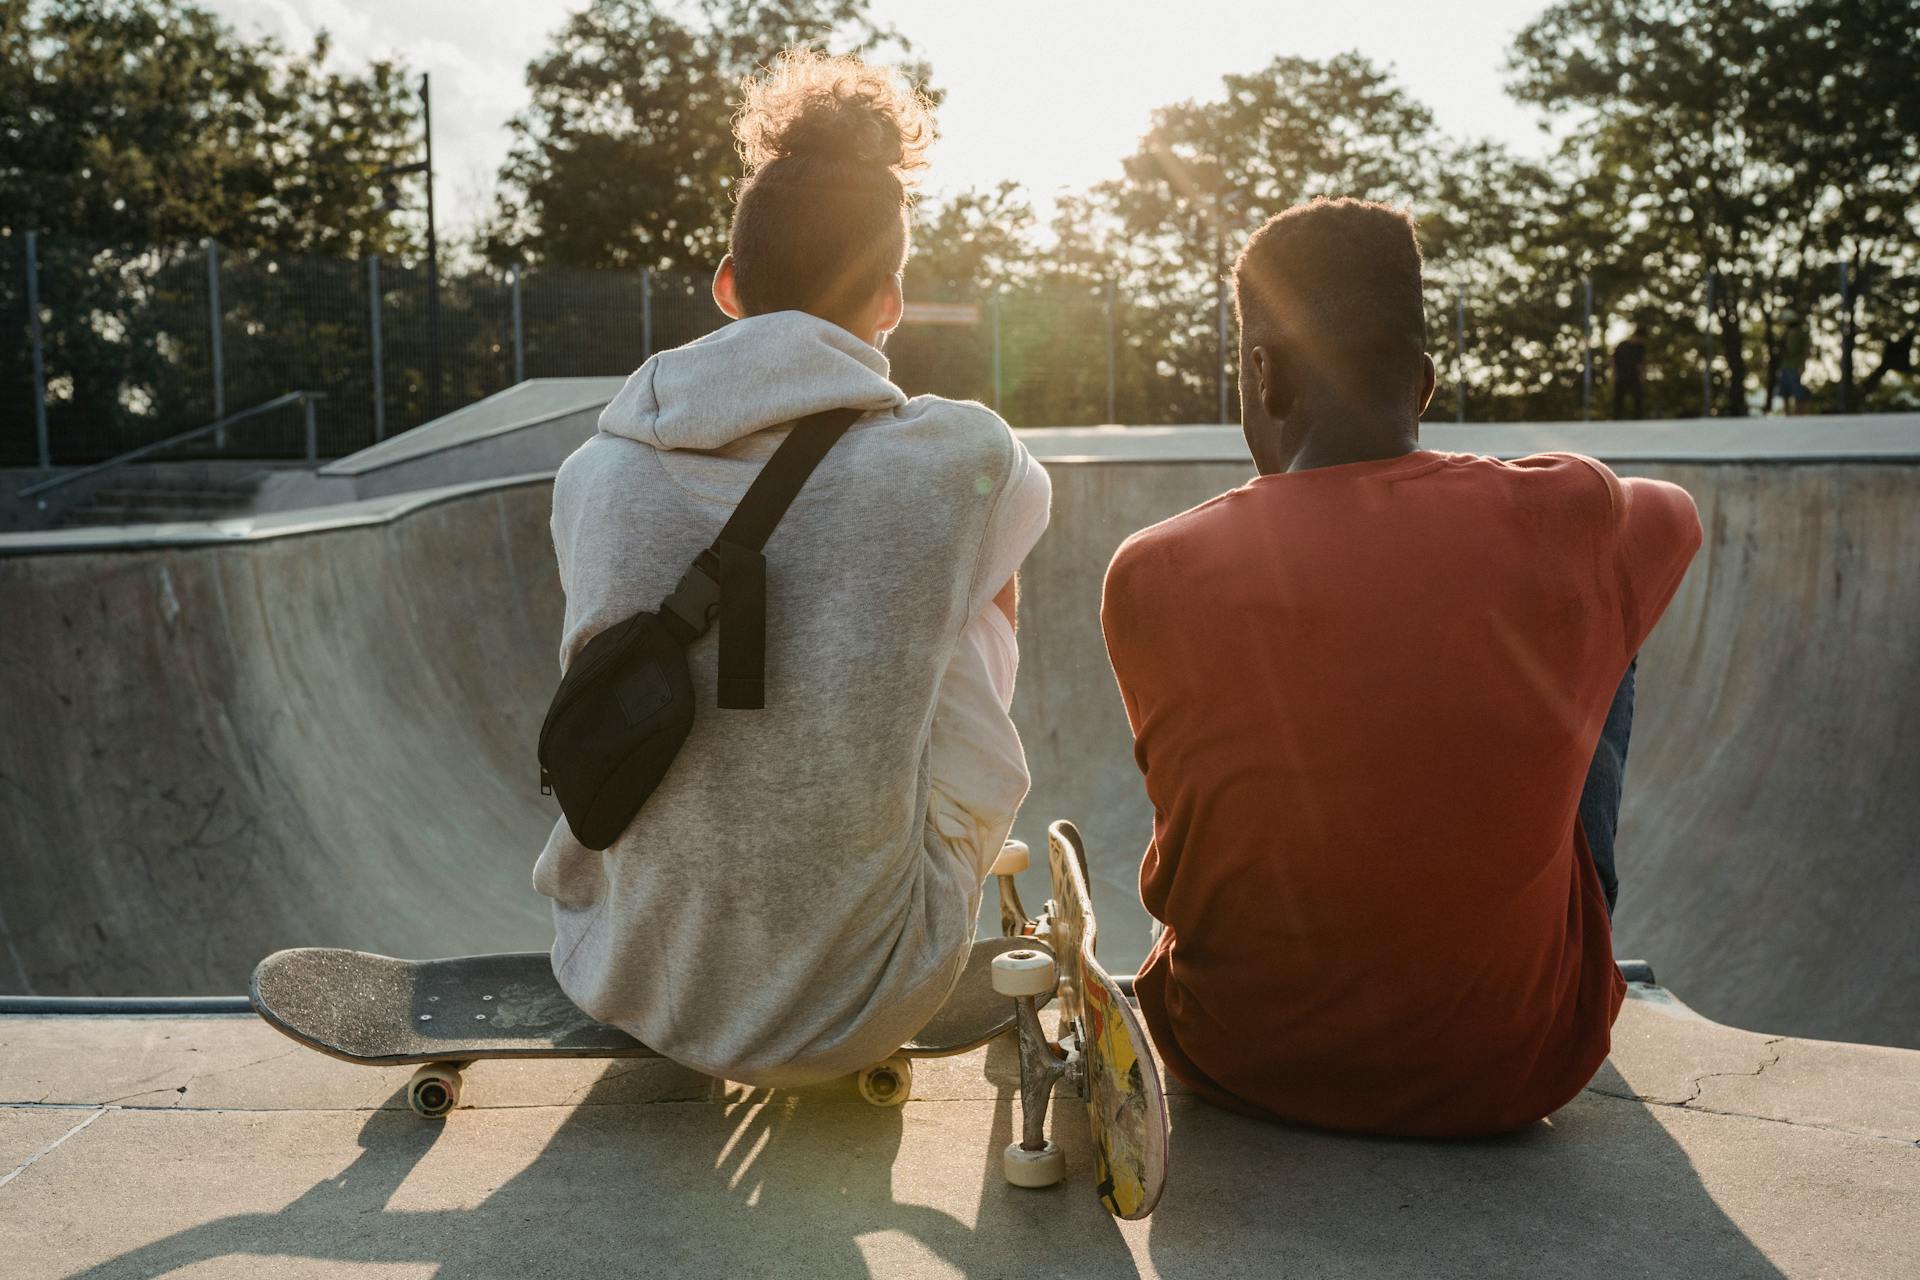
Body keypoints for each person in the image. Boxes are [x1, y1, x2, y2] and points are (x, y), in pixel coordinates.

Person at [1100, 198, 1701, 1138]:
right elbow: (1674, 511)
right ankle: (1565, 948)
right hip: (1518, 1066)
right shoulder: (1568, 515)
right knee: (1599, 620)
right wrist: (1497, 491)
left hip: (1233, 1052)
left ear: (1262, 371)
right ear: (1423, 381)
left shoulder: (1152, 567)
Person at [534, 50, 1051, 1086]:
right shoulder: (970, 458)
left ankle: (685, 905)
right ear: (892, 300)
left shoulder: (592, 471)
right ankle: (895, 852)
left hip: (629, 971)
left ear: (728, 288)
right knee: (978, 574)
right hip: (866, 991)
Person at [1776, 310, 1814, 414]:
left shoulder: (1801, 334)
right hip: (1785, 366)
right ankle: (1787, 414)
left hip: (1795, 365)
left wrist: (1802, 365)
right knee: (1784, 391)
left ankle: (1799, 414)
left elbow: (1806, 350)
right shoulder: (1785, 334)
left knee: (1797, 391)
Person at [1611, 325, 1647, 419]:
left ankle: (1638, 418)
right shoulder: (1622, 345)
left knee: (1638, 398)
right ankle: (1616, 419)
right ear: (1636, 336)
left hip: (1634, 377)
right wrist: (1614, 373)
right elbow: (1613, 359)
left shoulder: (1641, 348)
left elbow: (1641, 363)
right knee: (1618, 399)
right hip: (1621, 376)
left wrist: (1643, 375)